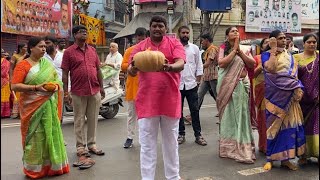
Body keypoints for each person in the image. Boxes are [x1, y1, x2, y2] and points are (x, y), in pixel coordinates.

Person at [127, 15, 185, 180]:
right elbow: (132, 68)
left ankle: (173, 177)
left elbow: (180, 63)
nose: (157, 29)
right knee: (147, 146)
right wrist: (132, 69)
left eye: (161, 26)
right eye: (154, 26)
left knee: (171, 144)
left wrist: (169, 67)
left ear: (165, 29)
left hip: (170, 100)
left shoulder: (175, 43)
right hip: (147, 102)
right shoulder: (140, 47)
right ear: (150, 28)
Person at [11, 37, 70, 178]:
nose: (43, 49)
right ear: (31, 48)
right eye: (40, 46)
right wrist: (36, 87)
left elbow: (57, 81)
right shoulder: (23, 65)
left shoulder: (47, 64)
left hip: (48, 106)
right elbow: (14, 86)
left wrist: (55, 86)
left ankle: (53, 167)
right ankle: (34, 169)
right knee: (35, 138)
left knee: (50, 134)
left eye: (44, 46)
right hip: (32, 109)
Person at [61, 25, 105, 168]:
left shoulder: (92, 50)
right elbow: (65, 73)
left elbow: (98, 69)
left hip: (94, 90)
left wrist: (102, 87)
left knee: (93, 119)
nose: (85, 34)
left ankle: (92, 144)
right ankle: (81, 147)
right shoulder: (68, 52)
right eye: (81, 32)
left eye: (86, 32)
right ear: (74, 35)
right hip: (78, 91)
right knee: (79, 120)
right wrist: (66, 92)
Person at [261, 30, 306, 171]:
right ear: (273, 40)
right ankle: (270, 159)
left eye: (285, 38)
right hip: (274, 98)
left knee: (288, 128)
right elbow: (272, 69)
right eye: (280, 38)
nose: (284, 40)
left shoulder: (290, 57)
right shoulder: (266, 55)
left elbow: (294, 77)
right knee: (273, 129)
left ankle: (286, 159)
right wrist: (273, 49)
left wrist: (299, 88)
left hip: (290, 97)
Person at [216, 26, 256, 163]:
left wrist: (240, 52)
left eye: (236, 31)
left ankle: (243, 146)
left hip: (241, 86)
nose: (235, 32)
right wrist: (234, 50)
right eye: (232, 31)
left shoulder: (245, 49)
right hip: (227, 86)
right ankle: (228, 148)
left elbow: (252, 64)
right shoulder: (223, 48)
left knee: (241, 114)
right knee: (228, 115)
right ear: (227, 36)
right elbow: (221, 63)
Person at [177, 26, 207, 146]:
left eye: (187, 33)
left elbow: (199, 65)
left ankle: (198, 135)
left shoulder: (194, 48)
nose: (185, 34)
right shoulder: (175, 47)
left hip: (191, 84)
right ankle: (181, 134)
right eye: (183, 32)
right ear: (179, 34)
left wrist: (198, 81)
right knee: (178, 112)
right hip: (178, 85)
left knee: (194, 110)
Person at [293, 33, 319, 165]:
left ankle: (317, 153)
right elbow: (292, 77)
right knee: (302, 126)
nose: (312, 44)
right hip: (301, 97)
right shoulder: (296, 58)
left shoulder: (319, 56)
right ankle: (303, 155)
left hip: (317, 98)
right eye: (309, 42)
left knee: (316, 126)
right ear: (303, 44)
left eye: (314, 42)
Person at [121, 27, 147, 149]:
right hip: (132, 88)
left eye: (143, 38)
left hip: (146, 89)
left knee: (145, 116)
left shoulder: (149, 51)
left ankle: (144, 139)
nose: (140, 40)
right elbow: (123, 65)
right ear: (136, 38)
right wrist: (133, 65)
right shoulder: (130, 50)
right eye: (139, 38)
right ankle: (129, 138)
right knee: (131, 115)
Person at [253, 38, 270, 154]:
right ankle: (264, 145)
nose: (268, 44)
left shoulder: (280, 56)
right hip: (262, 90)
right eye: (265, 42)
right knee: (264, 118)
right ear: (262, 46)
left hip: (277, 93)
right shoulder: (257, 58)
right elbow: (252, 74)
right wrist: (261, 65)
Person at [198, 34, 219, 110]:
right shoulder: (208, 50)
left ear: (206, 40)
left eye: (202, 40)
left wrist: (197, 68)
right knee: (199, 95)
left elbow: (207, 63)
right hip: (206, 77)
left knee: (217, 97)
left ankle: (223, 116)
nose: (202, 43)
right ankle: (193, 115)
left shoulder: (213, 49)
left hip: (213, 76)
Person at [10, 43, 28, 119]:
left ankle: (23, 112)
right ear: (20, 48)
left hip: (25, 77)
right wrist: (11, 77)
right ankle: (16, 113)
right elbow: (11, 68)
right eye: (25, 47)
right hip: (17, 77)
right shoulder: (15, 56)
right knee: (17, 96)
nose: (26, 48)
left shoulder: (28, 56)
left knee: (24, 95)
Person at [1, 52, 11, 118]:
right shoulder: (6, 62)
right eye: (2, 52)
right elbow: (4, 74)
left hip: (5, 81)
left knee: (5, 96)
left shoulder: (6, 62)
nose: (4, 54)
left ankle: (4, 113)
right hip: (5, 80)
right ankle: (4, 113)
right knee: (4, 96)